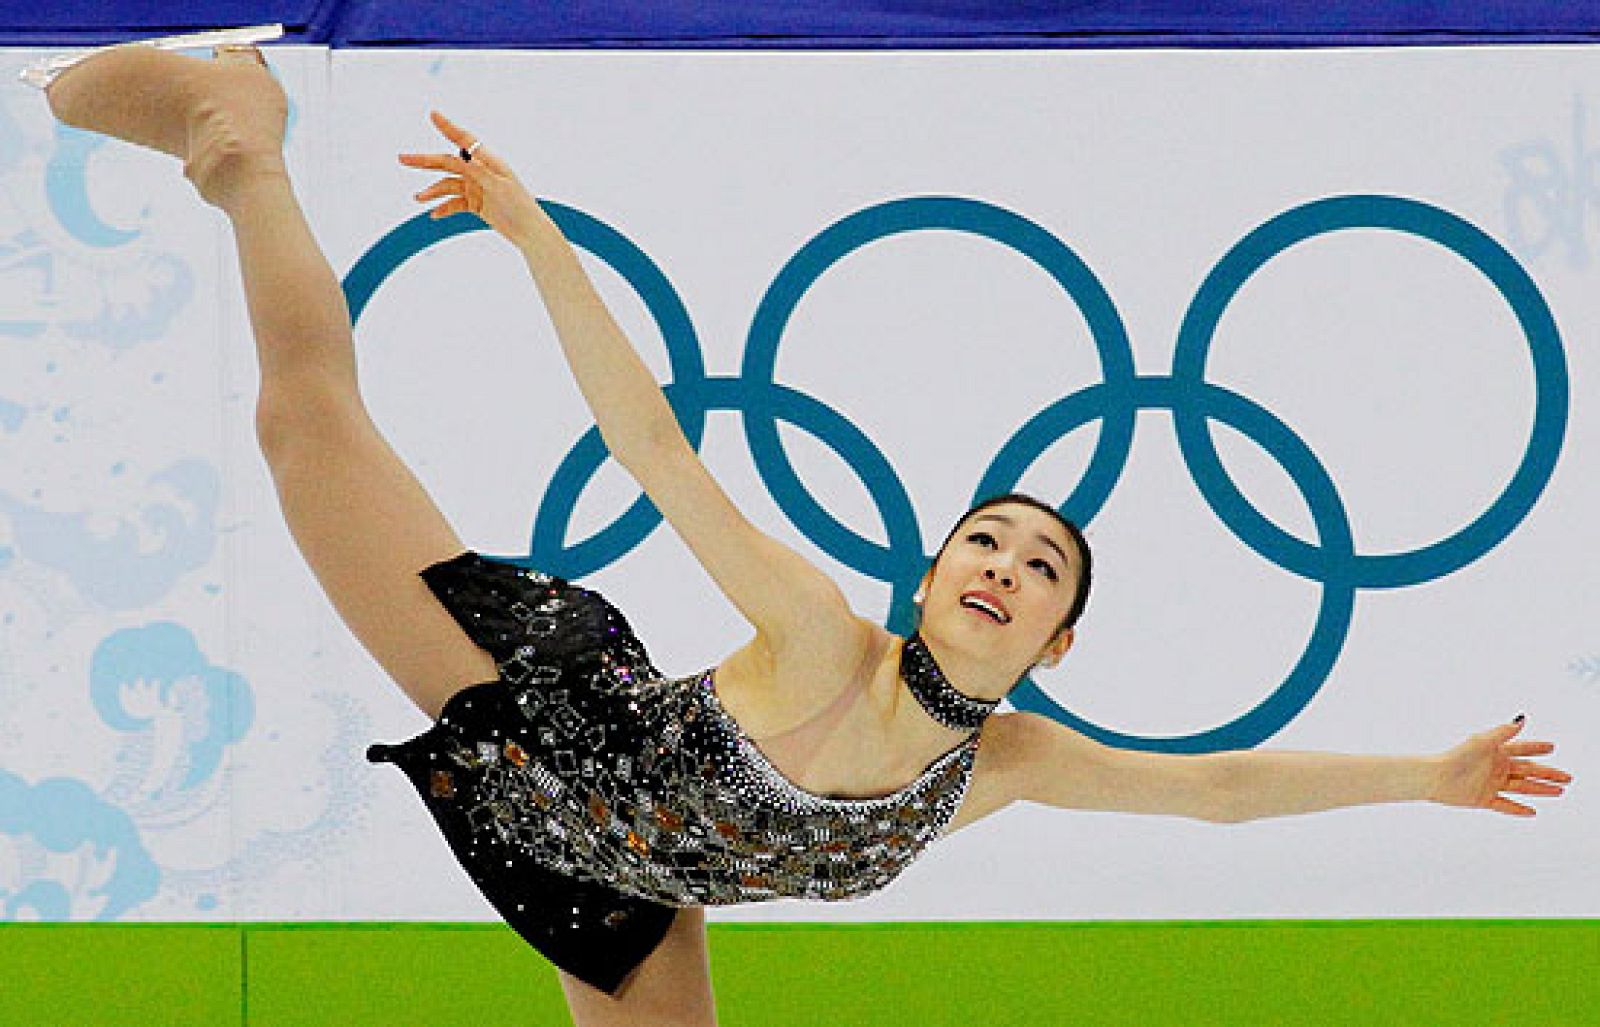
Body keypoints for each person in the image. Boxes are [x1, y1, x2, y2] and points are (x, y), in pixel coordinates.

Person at [39, 40, 1572, 1027]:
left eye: (1039, 570)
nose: (1001, 567)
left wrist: (1424, 778)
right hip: (543, 721)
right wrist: (532, 233)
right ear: (930, 575)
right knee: (304, 430)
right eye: (986, 541)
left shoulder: (1015, 761)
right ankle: (237, 136)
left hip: (623, 890)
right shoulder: (820, 630)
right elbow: (650, 440)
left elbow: (1220, 793)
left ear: (1057, 641)